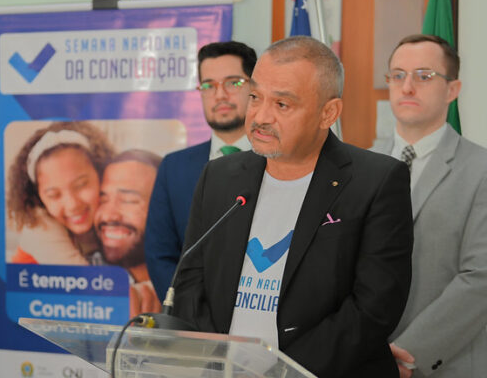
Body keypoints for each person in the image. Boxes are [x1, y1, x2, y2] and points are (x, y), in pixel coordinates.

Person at [172, 36, 414, 378]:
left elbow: (374, 307)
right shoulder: (220, 176)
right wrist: (220, 363)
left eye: (282, 104)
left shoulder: (376, 181)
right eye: (255, 97)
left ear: (328, 113)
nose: (260, 116)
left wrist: (281, 374)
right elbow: (189, 283)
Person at [371, 34, 487, 378]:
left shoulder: (480, 170)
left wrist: (408, 355)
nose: (407, 87)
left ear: (452, 89)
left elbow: (480, 278)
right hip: (362, 360)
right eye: (397, 75)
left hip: (446, 364)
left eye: (424, 76)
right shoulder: (358, 166)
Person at [145, 41, 257, 300]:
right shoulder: (174, 168)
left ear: (255, 88)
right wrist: (189, 310)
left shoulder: (279, 162)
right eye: (208, 85)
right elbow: (160, 255)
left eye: (233, 83)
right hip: (191, 317)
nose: (220, 95)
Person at [7, 121, 115, 265]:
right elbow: (83, 278)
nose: (72, 205)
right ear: (38, 197)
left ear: (101, 174)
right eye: (54, 195)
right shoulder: (39, 228)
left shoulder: (106, 214)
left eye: (81, 185)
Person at [95, 149, 163, 314]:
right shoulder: (79, 273)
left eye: (129, 200)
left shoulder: (190, 286)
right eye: (103, 199)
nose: (109, 215)